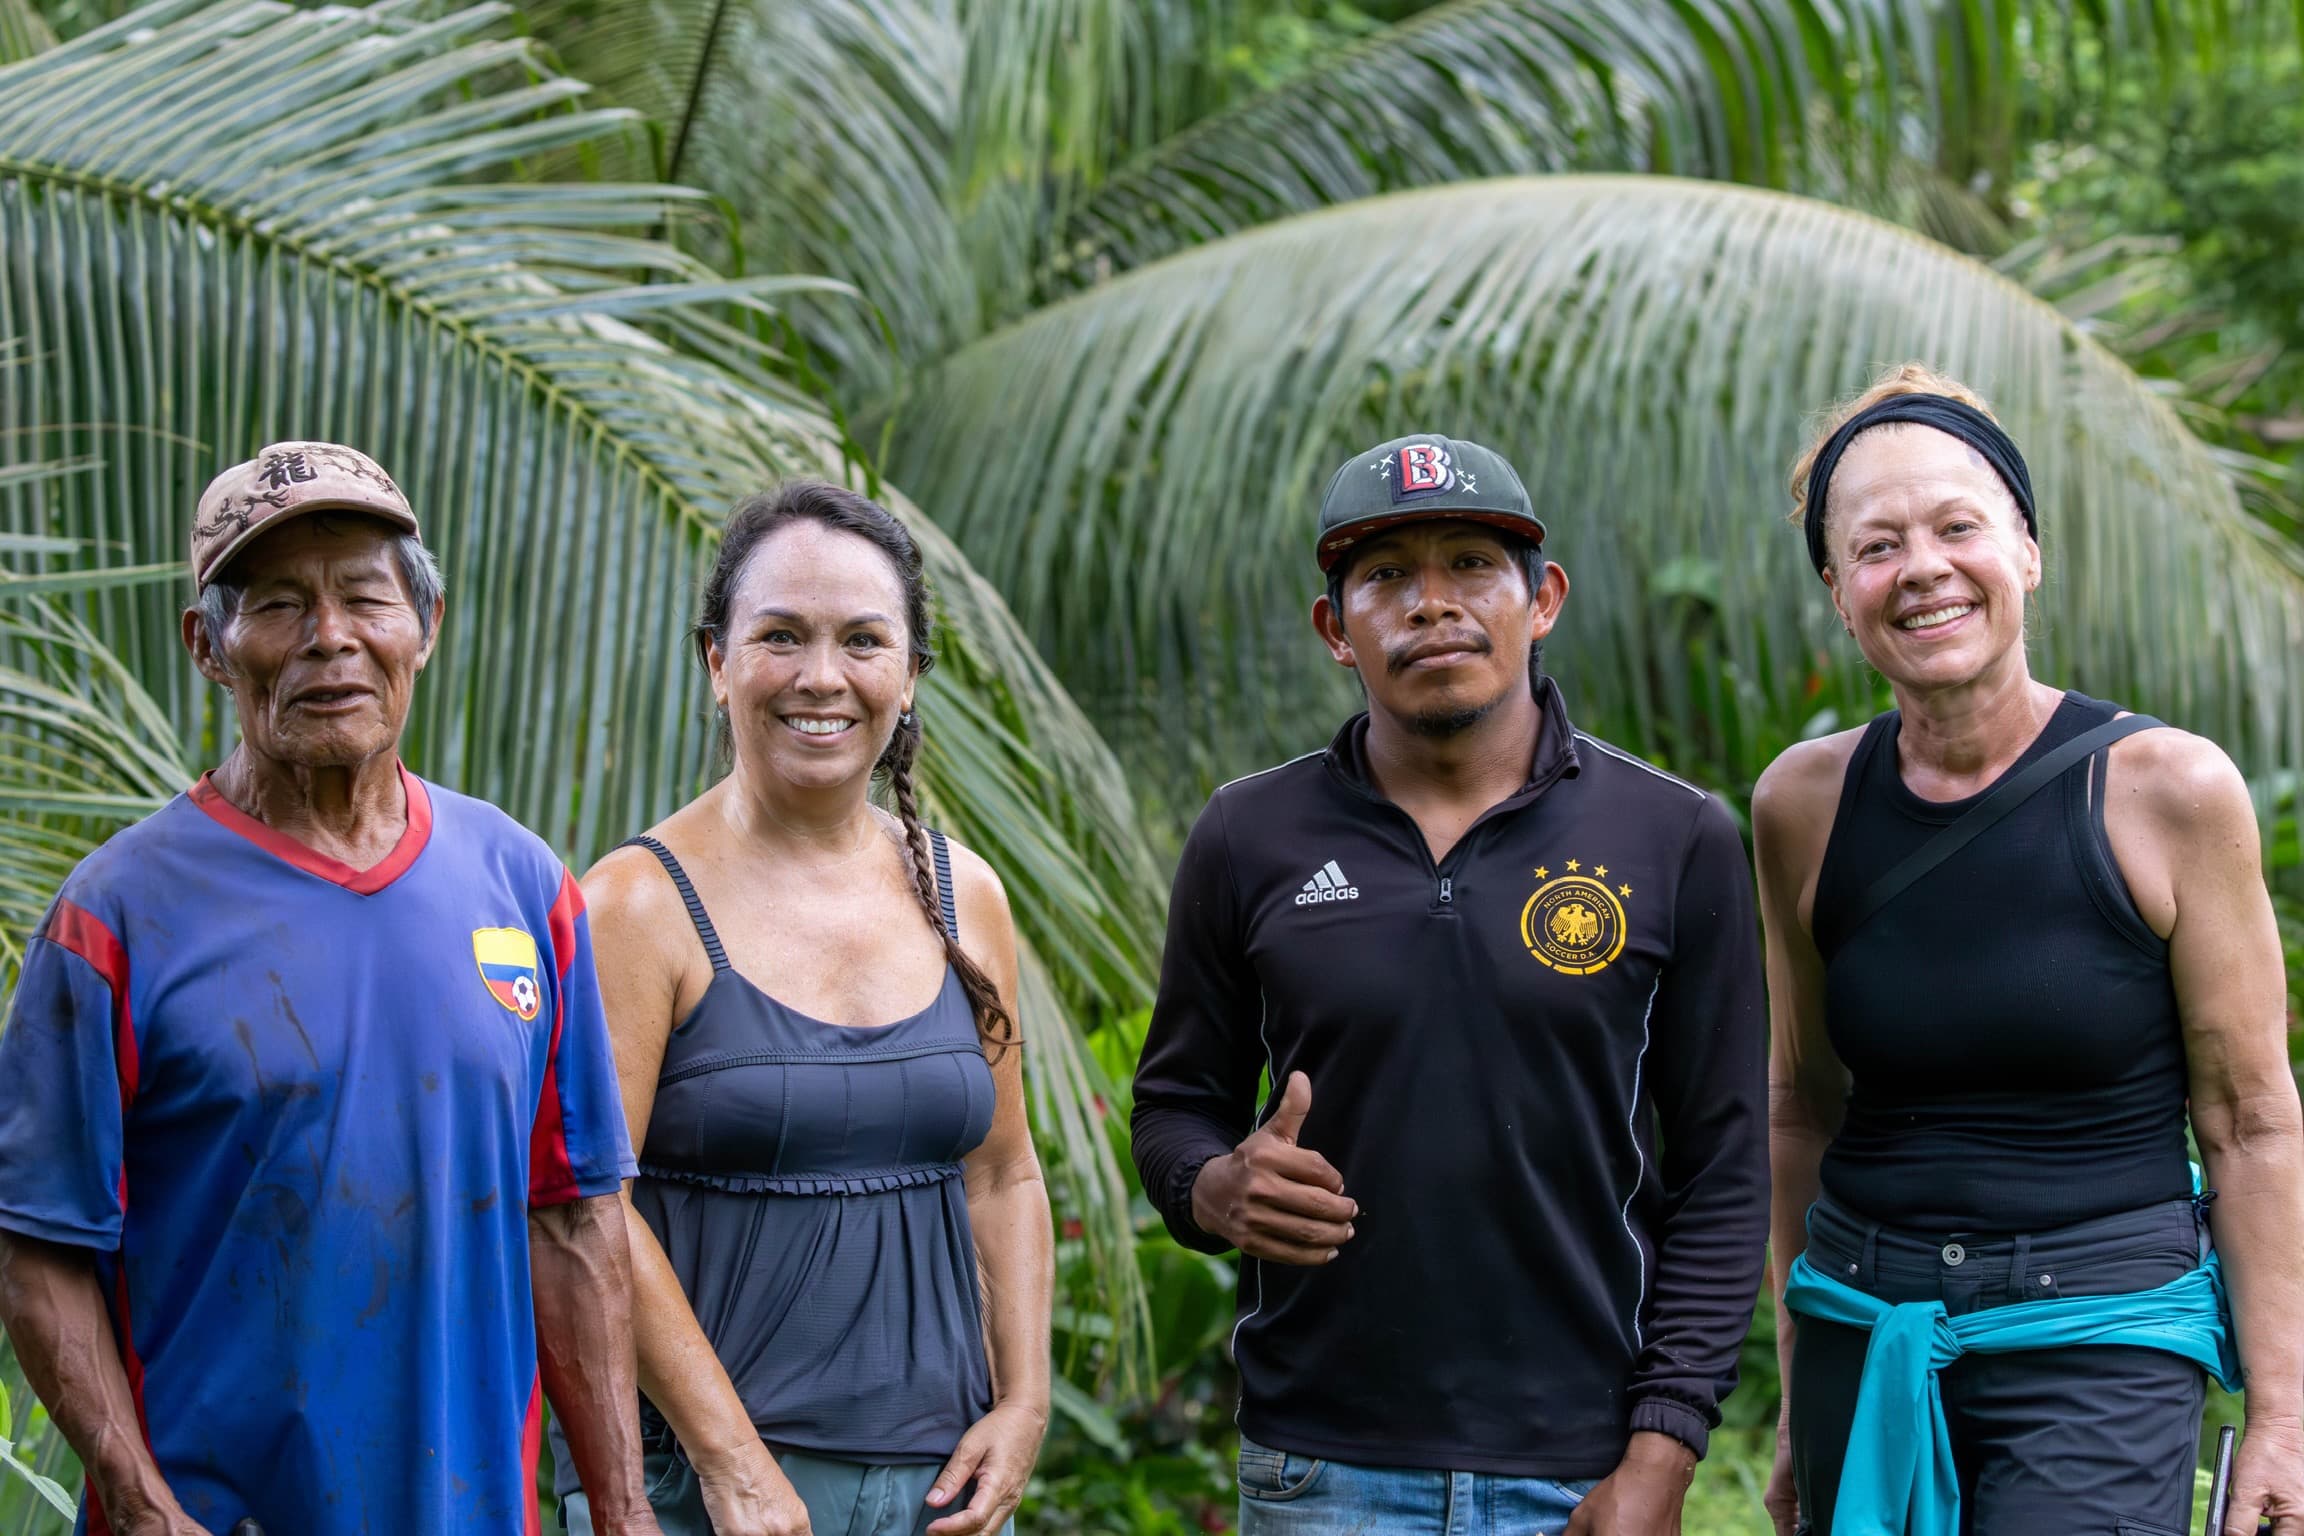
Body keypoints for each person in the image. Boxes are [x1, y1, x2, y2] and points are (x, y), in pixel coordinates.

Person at [0, 442, 657, 1535]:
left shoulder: (523, 886)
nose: (330, 639)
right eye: (277, 605)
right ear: (207, 646)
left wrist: (624, 1511)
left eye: (364, 595)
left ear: (425, 628)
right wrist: (143, 1505)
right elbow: (39, 1253)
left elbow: (575, 1224)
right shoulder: (111, 920)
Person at [1130, 433, 1769, 1535]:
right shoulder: (1250, 835)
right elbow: (1174, 1106)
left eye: (1472, 562)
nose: (1432, 604)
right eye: (1385, 577)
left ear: (1543, 598)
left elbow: (1722, 1166)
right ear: (1337, 629)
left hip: (1580, 1468)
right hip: (1319, 1469)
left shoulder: (1673, 836)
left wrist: (1663, 1451)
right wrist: (1211, 1189)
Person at [1755, 365, 2304, 1536]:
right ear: (1837, 589)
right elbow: (1800, 1103)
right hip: (1867, 1324)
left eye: (1961, 527)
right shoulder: (1801, 804)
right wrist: (1804, 1379)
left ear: (2028, 551)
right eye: (1878, 545)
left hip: (2098, 1342)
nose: (1925, 569)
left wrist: (2283, 1424)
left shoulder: (2168, 791)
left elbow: (2252, 1118)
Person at [550, 481, 1050, 1536]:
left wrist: (1024, 1403)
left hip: (941, 1489)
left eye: (864, 641)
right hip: (712, 1494)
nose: (821, 677)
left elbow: (1004, 1172)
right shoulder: (632, 906)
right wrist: (728, 1462)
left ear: (910, 677)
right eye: (780, 635)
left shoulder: (966, 897)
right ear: (717, 660)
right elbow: (589, 1205)